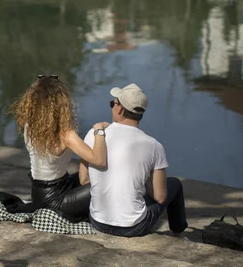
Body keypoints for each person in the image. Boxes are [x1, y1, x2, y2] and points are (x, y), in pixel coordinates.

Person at [79, 83, 187, 237]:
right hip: (133, 227)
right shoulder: (154, 146)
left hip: (97, 221)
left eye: (113, 103)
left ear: (120, 109)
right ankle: (179, 230)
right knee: (174, 184)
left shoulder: (95, 133)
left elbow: (84, 178)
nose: (112, 107)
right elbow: (160, 196)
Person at [9, 75, 109, 222]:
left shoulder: (30, 126)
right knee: (106, 181)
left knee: (93, 175)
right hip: (56, 202)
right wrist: (99, 130)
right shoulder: (65, 134)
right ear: (60, 103)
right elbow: (99, 161)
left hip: (39, 194)